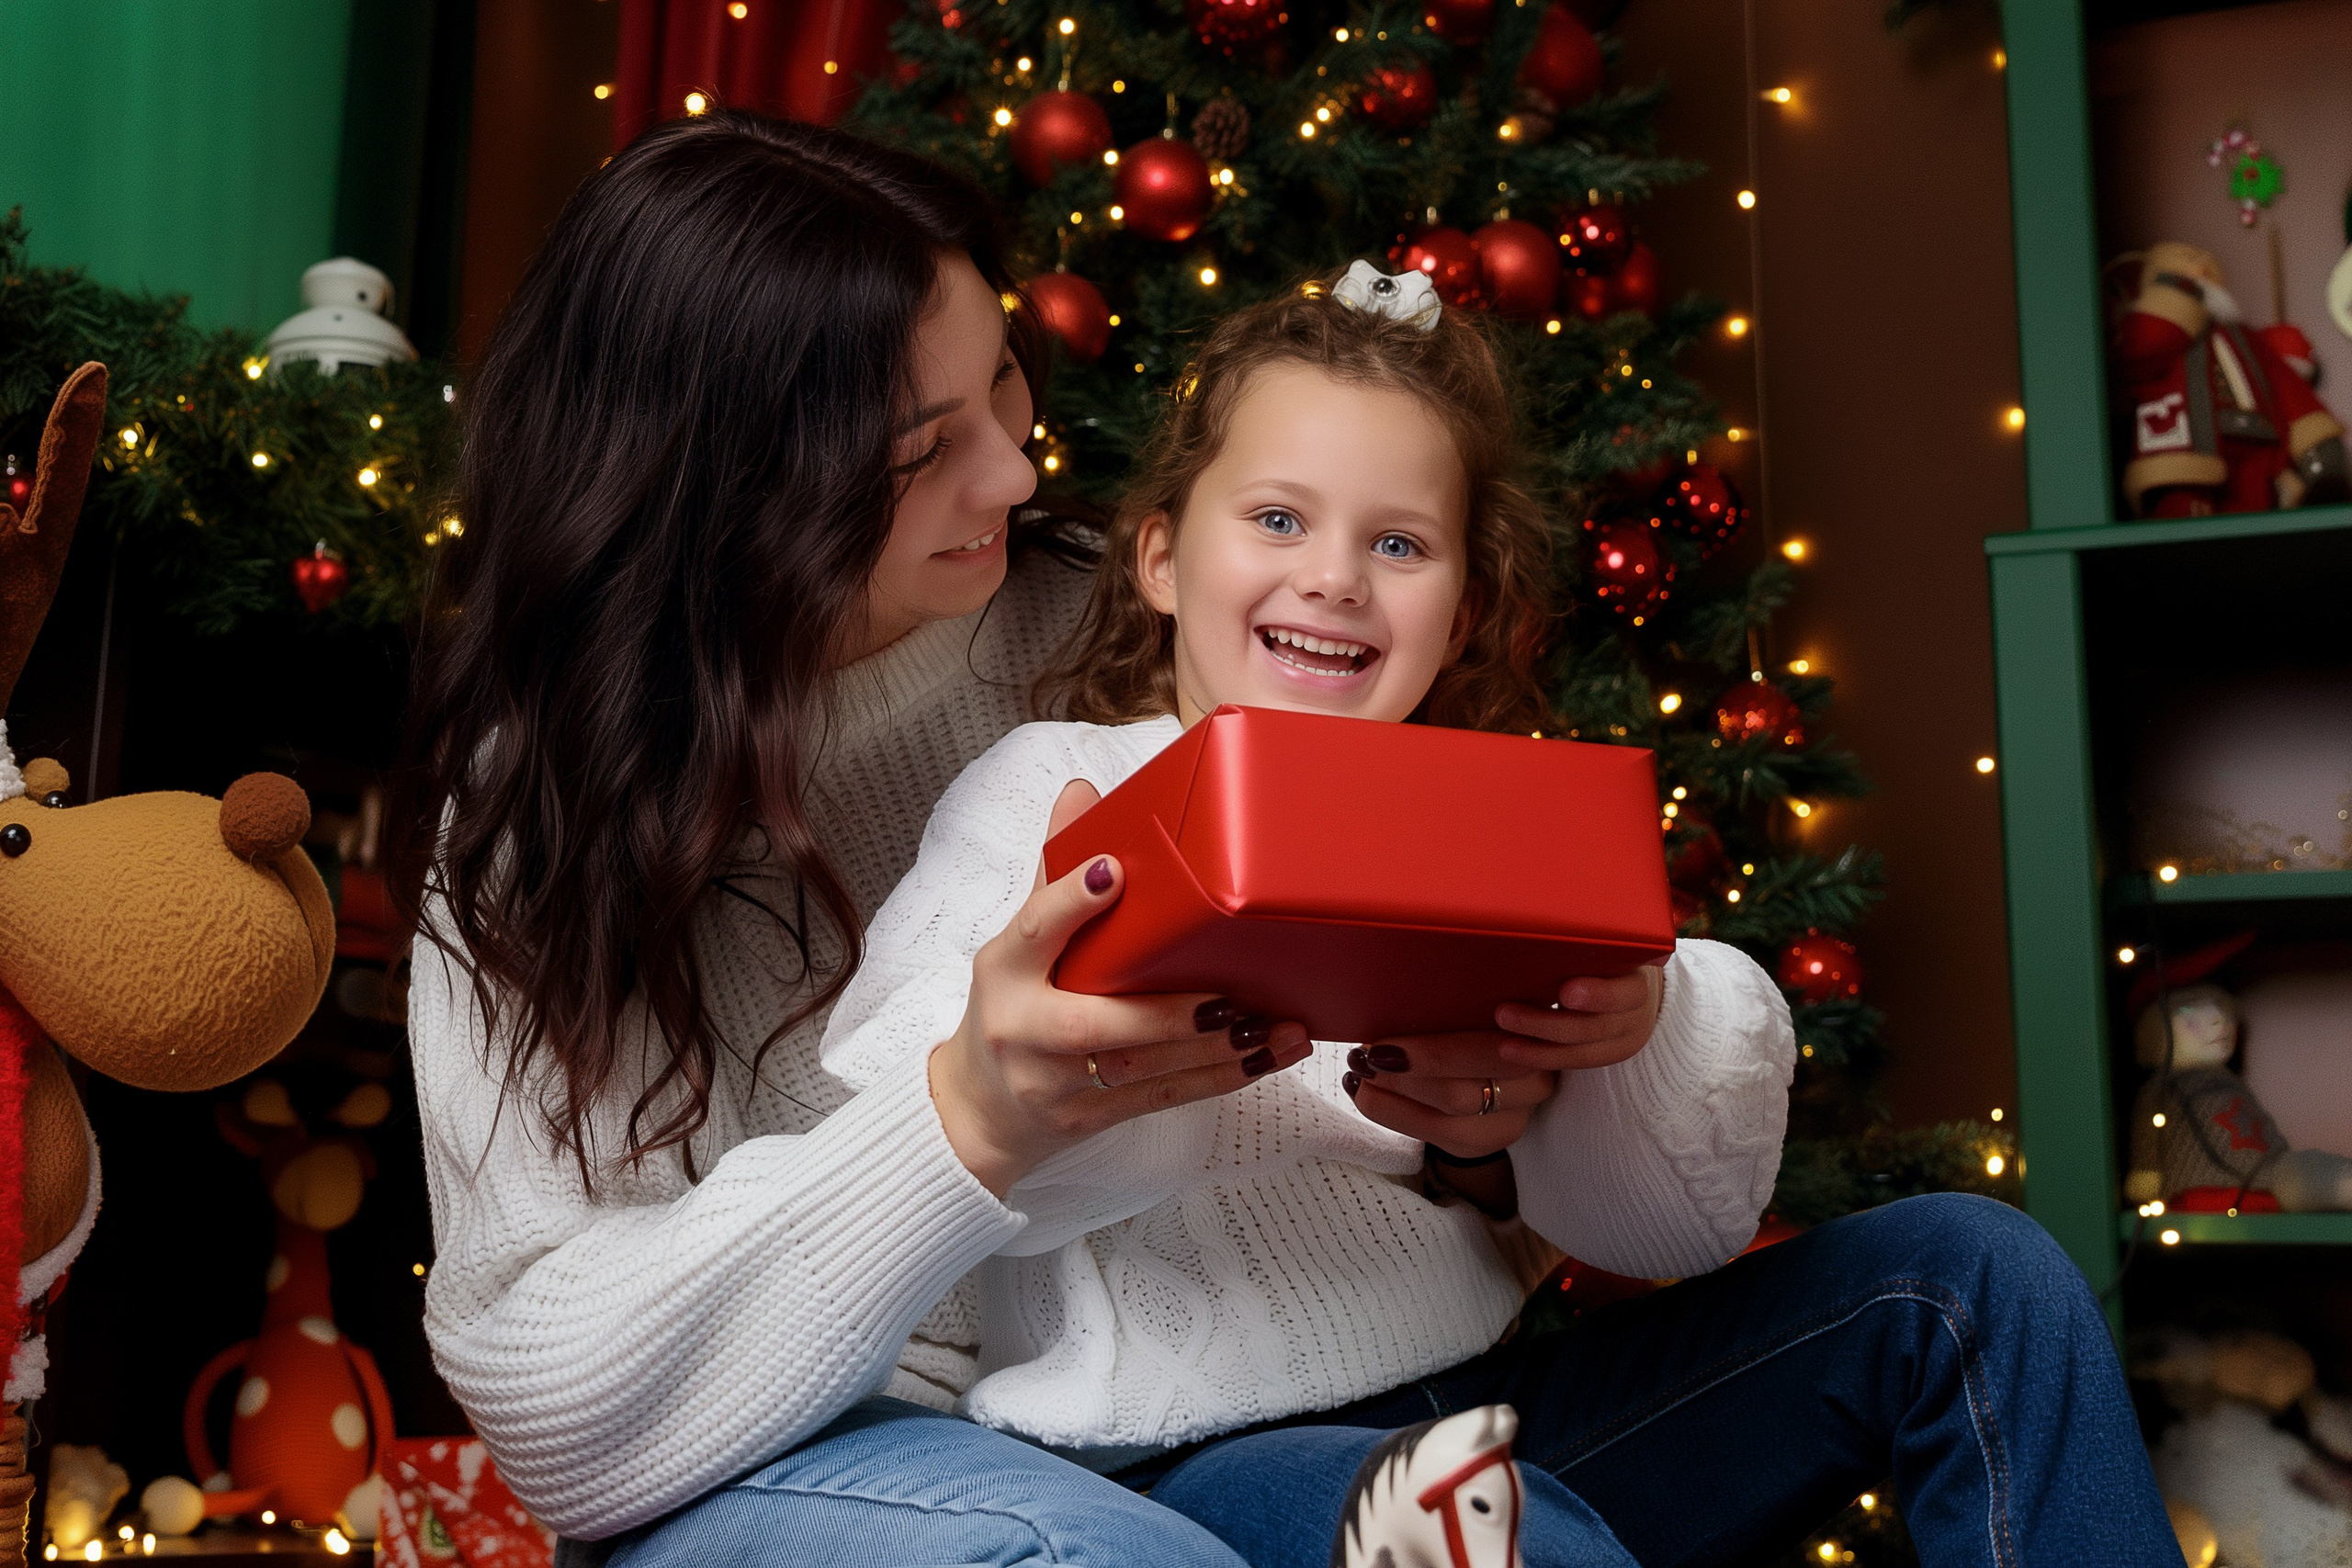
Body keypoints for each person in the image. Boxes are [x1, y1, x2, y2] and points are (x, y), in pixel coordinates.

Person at [397, 110, 2176, 1568]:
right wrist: (971, 1116)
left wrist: (1522, 1105)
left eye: (1008, 392)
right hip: (998, 1442)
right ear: (744, 493)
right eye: (933, 446)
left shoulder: (1133, 609)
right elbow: (561, 1404)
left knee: (1971, 1278)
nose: (1021, 481)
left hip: (1449, 1382)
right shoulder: (542, 818)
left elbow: (1574, 1123)